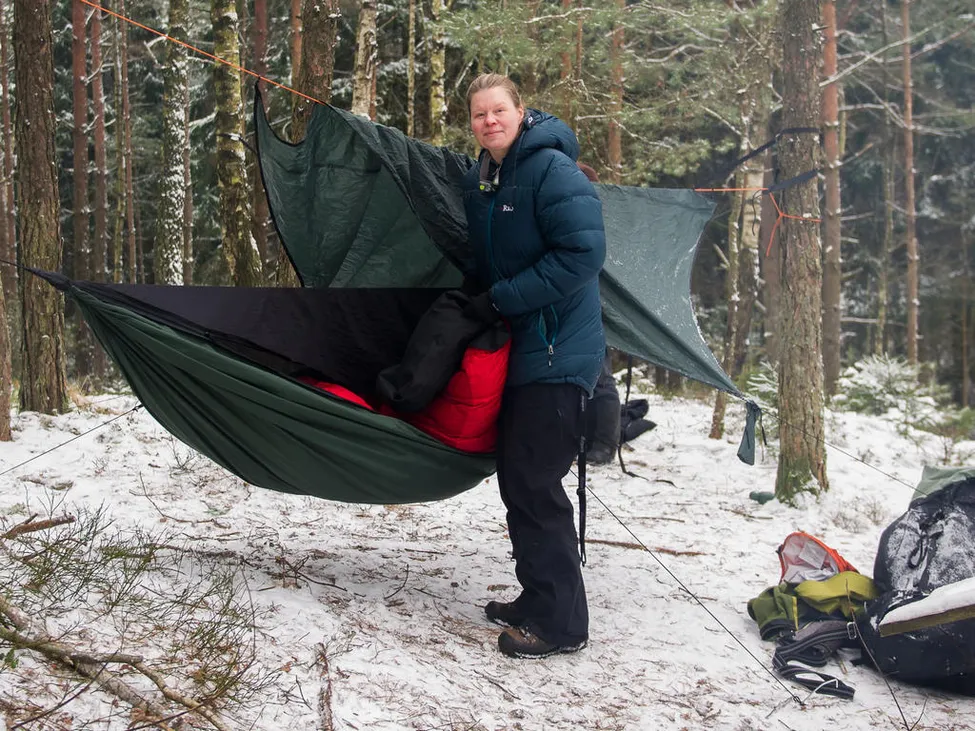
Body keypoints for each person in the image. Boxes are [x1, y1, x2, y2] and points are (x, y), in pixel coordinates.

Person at [461, 73, 606, 659]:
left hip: (557, 351)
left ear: (521, 113)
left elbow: (583, 253)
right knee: (518, 481)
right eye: (478, 114)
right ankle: (537, 596)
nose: (489, 121)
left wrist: (503, 299)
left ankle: (563, 624)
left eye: (499, 110)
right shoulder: (487, 179)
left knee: (537, 484)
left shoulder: (552, 171)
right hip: (522, 354)